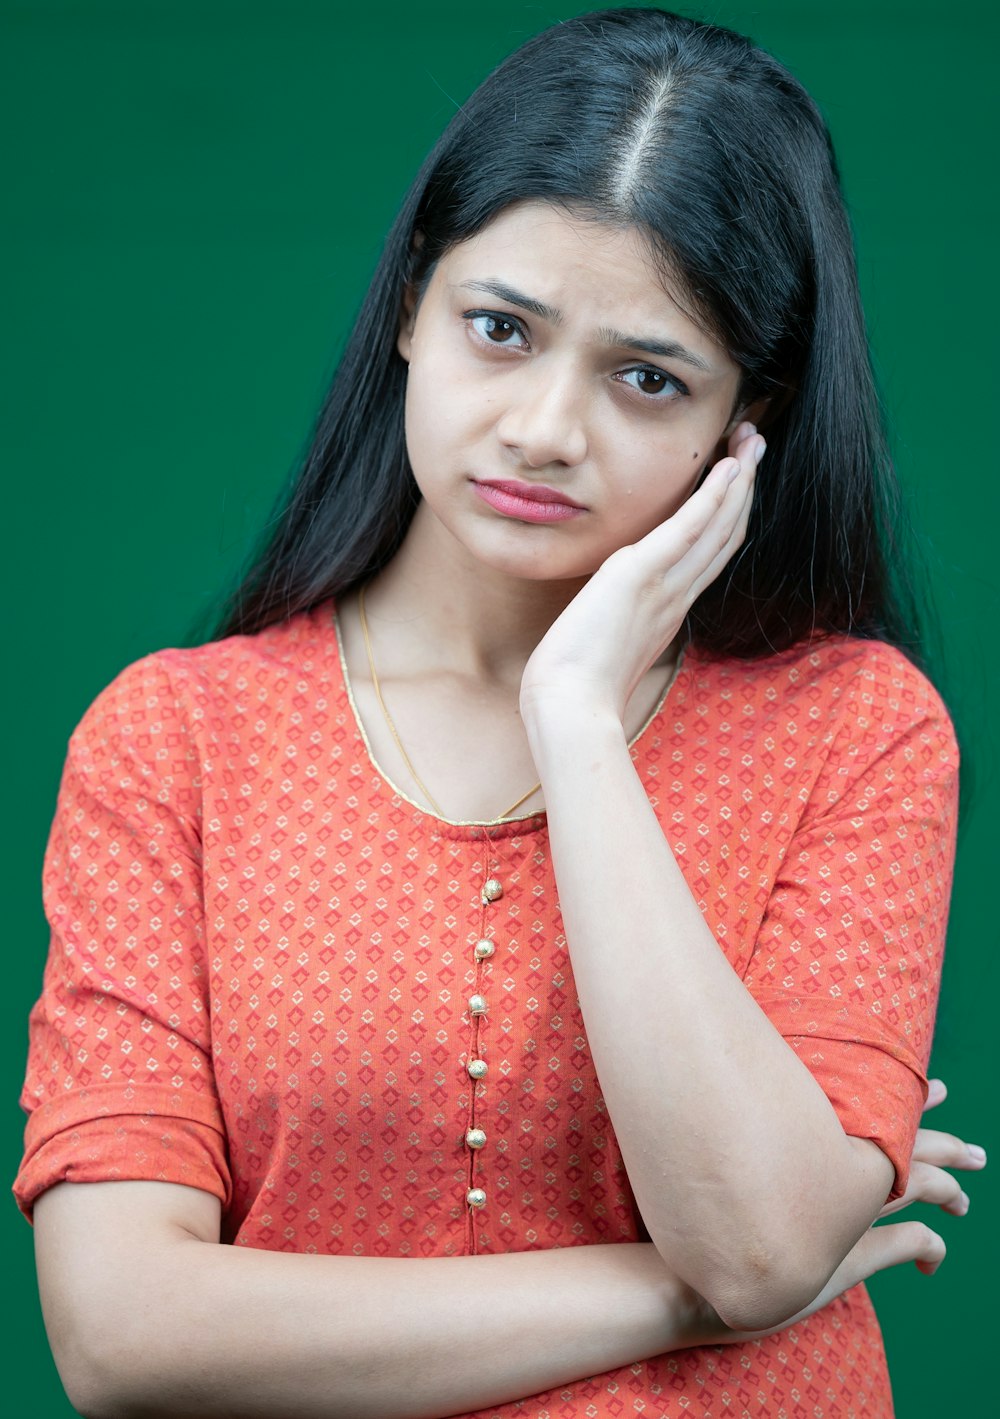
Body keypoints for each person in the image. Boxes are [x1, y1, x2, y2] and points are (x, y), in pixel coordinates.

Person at [14, 8, 987, 1417]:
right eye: (501, 329)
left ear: (745, 421)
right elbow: (124, 1335)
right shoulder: (174, 743)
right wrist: (687, 1294)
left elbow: (759, 1237)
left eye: (646, 378)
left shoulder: (855, 730)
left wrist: (581, 723)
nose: (545, 426)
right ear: (413, 304)